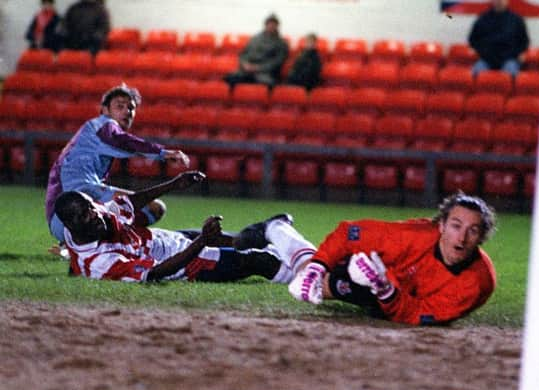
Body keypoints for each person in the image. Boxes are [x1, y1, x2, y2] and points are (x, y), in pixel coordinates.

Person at [242, 192, 497, 326]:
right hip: (377, 272)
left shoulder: (476, 283)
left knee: (319, 282)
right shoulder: (412, 236)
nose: (462, 237)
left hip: (393, 292)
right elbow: (349, 233)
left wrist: (387, 292)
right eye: (455, 225)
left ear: (482, 236)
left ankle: (276, 258)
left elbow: (422, 314)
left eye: (472, 230)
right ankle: (276, 228)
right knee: (315, 282)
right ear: (441, 226)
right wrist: (317, 268)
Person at [54, 171, 303, 284]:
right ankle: (309, 281)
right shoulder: (97, 262)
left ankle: (267, 236)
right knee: (258, 261)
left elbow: (130, 202)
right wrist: (201, 243)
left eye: (92, 208)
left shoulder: (93, 218)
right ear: (72, 224)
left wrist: (174, 183)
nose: (97, 215)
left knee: (237, 241)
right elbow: (156, 273)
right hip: (183, 263)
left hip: (162, 239)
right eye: (86, 215)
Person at [45, 83, 190, 244]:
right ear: (105, 110)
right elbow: (121, 141)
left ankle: (79, 246)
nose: (127, 111)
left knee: (128, 212)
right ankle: (121, 247)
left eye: (131, 108)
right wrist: (162, 153)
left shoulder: (91, 133)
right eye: (120, 106)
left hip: (62, 218)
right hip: (72, 208)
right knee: (153, 207)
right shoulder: (102, 125)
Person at [224, 13, 289, 88]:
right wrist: (244, 64)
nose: (271, 26)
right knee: (230, 78)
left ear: (277, 26)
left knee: (266, 83)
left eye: (273, 24)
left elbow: (277, 62)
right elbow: (243, 54)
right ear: (265, 24)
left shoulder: (281, 43)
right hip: (247, 70)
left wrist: (258, 68)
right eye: (269, 23)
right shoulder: (255, 38)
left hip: (265, 73)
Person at [468, 0, 529, 77]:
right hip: (487, 59)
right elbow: (472, 39)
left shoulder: (517, 19)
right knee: (475, 74)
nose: (499, 1)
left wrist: (521, 53)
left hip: (509, 59)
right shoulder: (483, 18)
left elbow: (524, 41)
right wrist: (480, 52)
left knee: (512, 75)